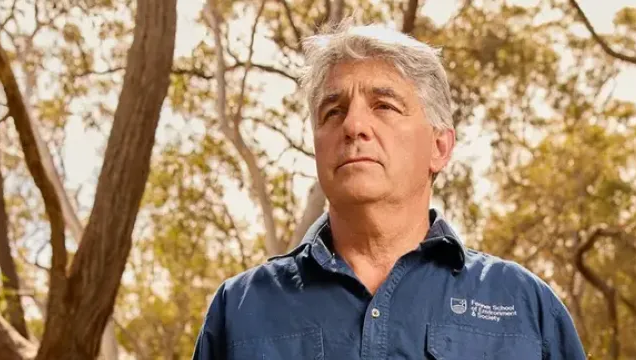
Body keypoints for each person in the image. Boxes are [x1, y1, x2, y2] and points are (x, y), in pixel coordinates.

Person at [192, 21, 586, 360]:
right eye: (333, 111)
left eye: (384, 106)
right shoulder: (239, 310)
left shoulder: (527, 308)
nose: (353, 126)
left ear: (439, 147)